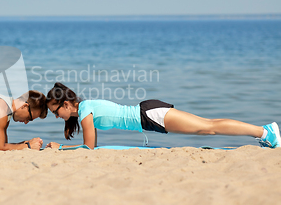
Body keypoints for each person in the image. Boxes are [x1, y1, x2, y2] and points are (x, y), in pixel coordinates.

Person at [45, 82, 280, 150]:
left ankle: (264, 132)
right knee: (207, 126)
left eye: (56, 111)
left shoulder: (85, 109)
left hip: (149, 115)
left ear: (66, 104)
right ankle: (263, 132)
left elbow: (89, 147)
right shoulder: (85, 109)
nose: (56, 116)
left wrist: (61, 148)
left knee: (208, 127)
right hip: (149, 116)